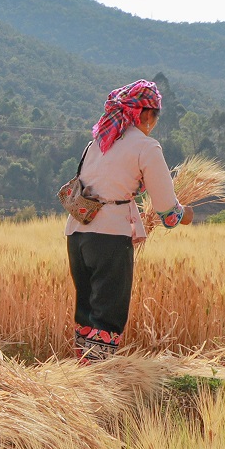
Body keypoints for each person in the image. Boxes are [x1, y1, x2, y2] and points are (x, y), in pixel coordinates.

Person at [65, 79, 192, 361]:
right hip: (110, 237)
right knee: (108, 314)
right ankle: (99, 384)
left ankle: (80, 378)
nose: (155, 122)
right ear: (145, 113)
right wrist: (185, 215)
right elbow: (167, 210)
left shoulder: (97, 143)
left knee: (86, 309)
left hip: (77, 235)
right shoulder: (146, 147)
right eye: (156, 115)